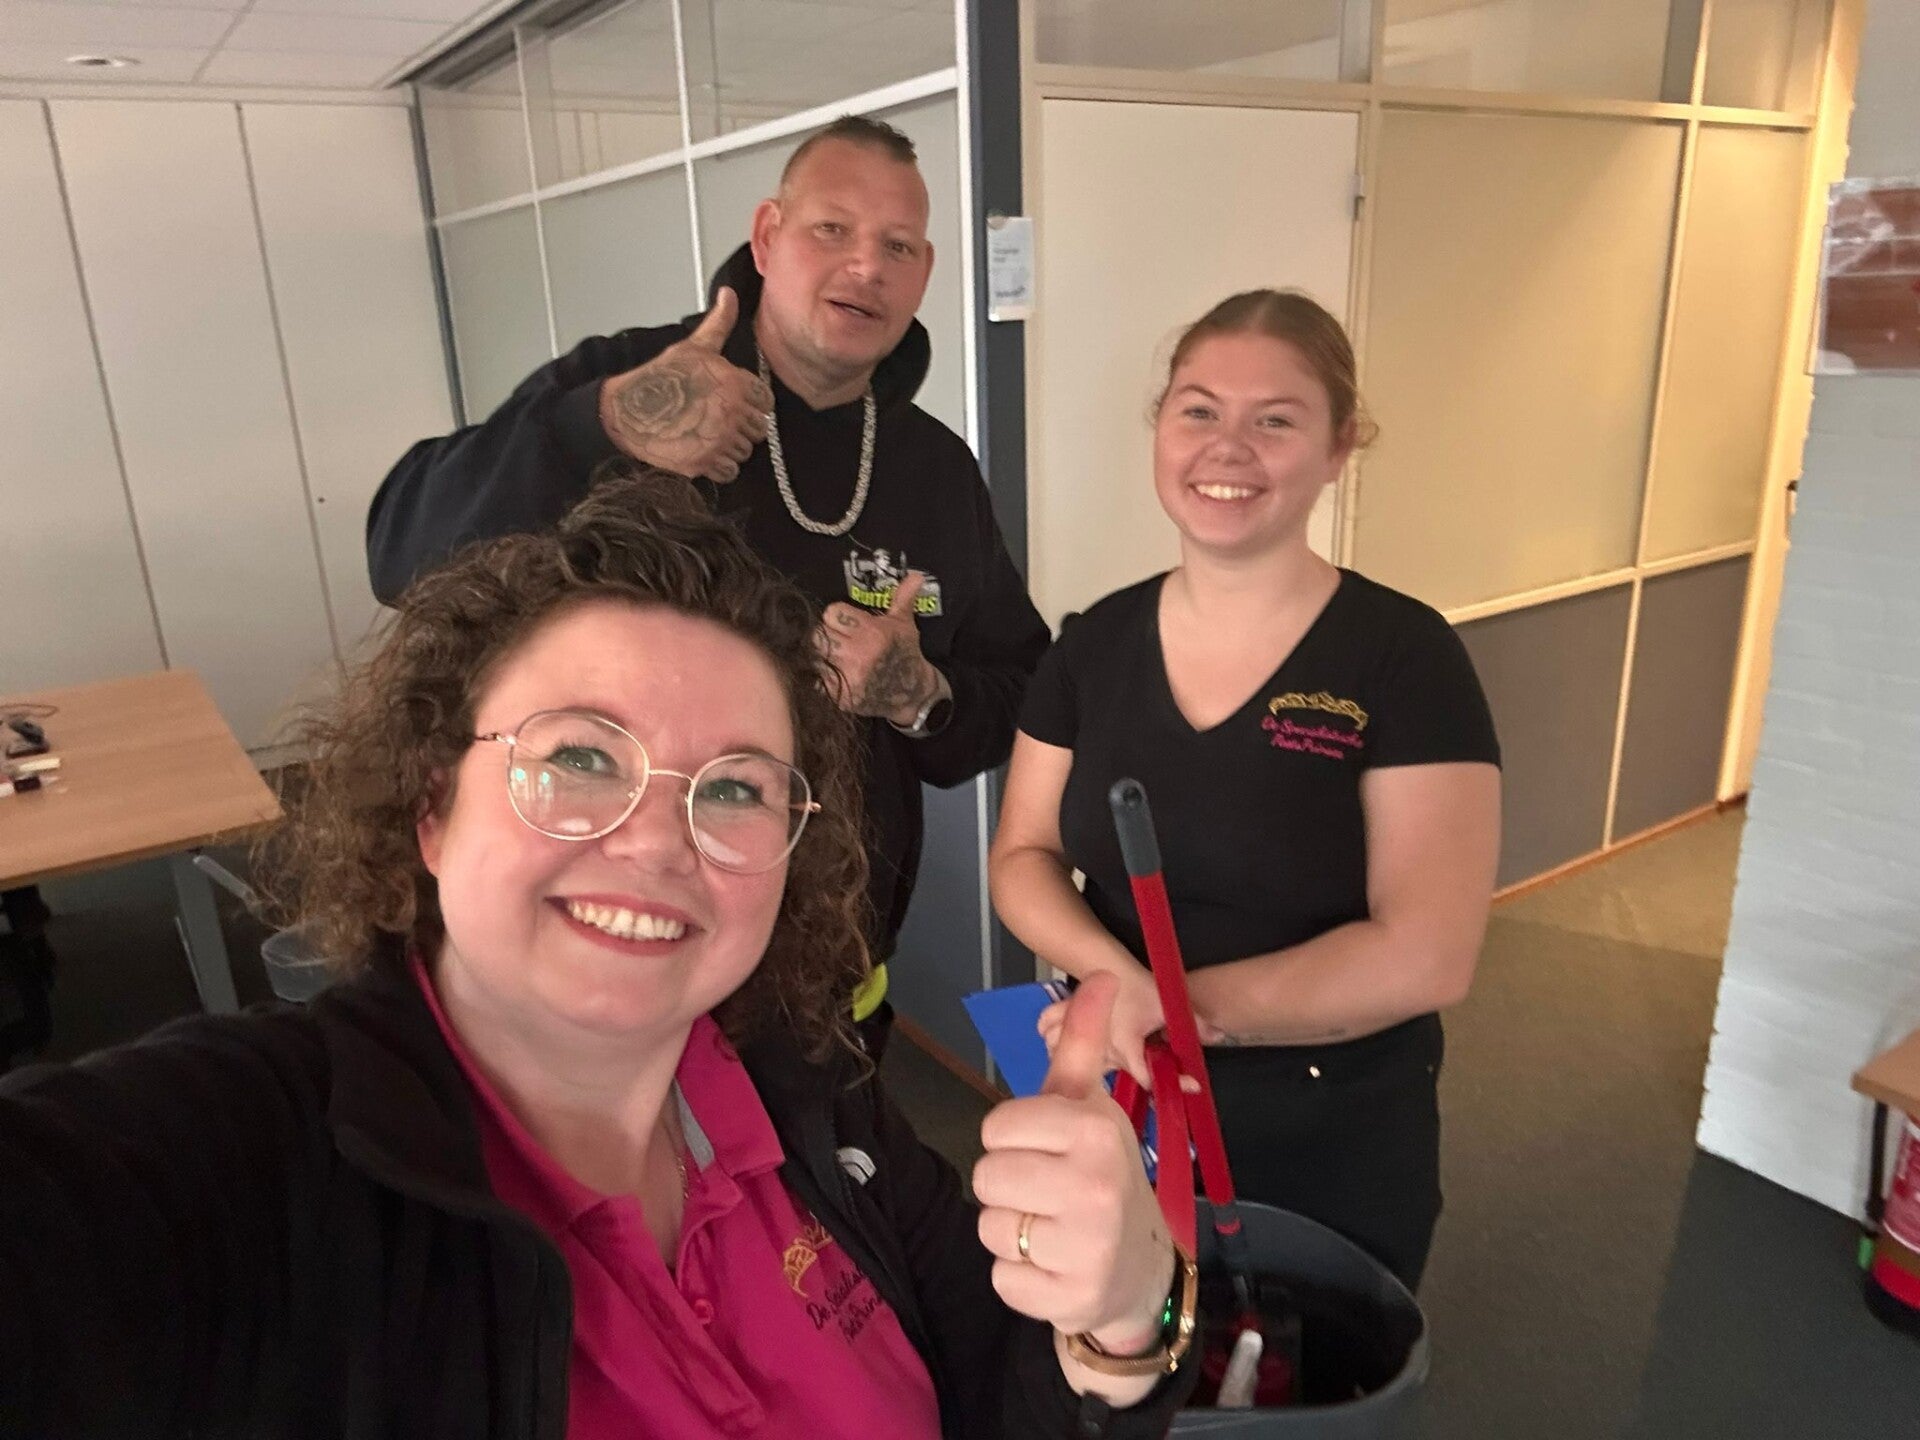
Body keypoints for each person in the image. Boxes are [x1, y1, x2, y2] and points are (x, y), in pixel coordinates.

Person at [0, 472, 1196, 1438]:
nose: (657, 842)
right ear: (432, 806)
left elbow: (1012, 1397)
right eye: (579, 758)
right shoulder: (256, 1168)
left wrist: (1123, 1327)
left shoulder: (810, 1102)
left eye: (735, 787)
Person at [366, 114, 1049, 1048]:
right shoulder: (637, 380)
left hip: (828, 986)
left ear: (925, 273)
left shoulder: (935, 469)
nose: (866, 267)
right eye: (832, 229)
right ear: (768, 237)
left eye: (898, 247)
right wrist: (607, 424)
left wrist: (918, 695)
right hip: (606, 956)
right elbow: (401, 549)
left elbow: (1016, 690)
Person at [989, 291, 1502, 1290]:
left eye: (1274, 420)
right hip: (1121, 1099)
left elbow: (1428, 953)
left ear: (1339, 447)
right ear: (1161, 427)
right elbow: (1022, 856)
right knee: (1115, 1342)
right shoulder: (1092, 644)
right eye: (1199, 410)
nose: (1227, 448)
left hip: (1323, 1114)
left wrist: (1170, 1011)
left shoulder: (1405, 657)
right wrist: (1115, 983)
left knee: (1293, 1354)